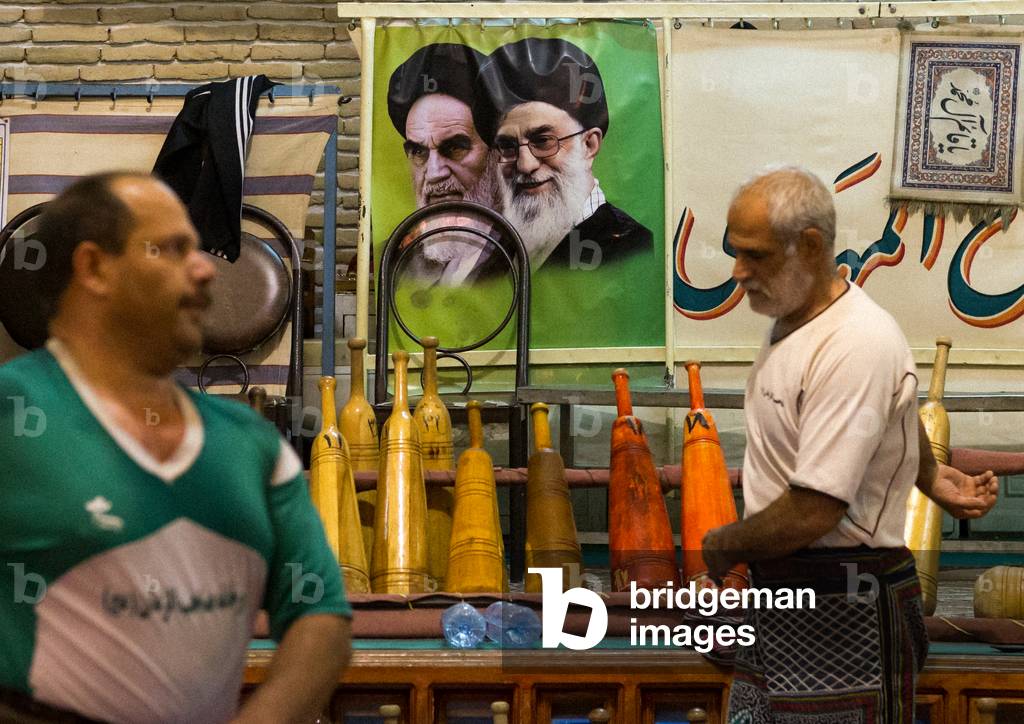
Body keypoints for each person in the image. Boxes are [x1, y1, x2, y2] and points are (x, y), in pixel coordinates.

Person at [0, 172, 352, 723]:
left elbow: (320, 617)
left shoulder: (250, 444)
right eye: (172, 249)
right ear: (95, 268)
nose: (206, 267)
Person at [701, 167, 999, 723]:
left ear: (811, 246)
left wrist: (723, 544)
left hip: (846, 604)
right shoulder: (796, 320)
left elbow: (814, 509)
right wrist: (929, 474)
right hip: (782, 594)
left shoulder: (856, 343)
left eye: (755, 255)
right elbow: (891, 410)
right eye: (735, 252)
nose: (738, 271)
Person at [472, 37, 652, 272]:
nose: (525, 165)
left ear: (588, 145)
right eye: (507, 146)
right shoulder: (496, 258)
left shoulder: (630, 250)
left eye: (543, 141)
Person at [387, 42, 503, 284]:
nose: (434, 173)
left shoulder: (534, 253)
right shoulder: (399, 258)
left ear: (497, 152)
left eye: (455, 148)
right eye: (419, 151)